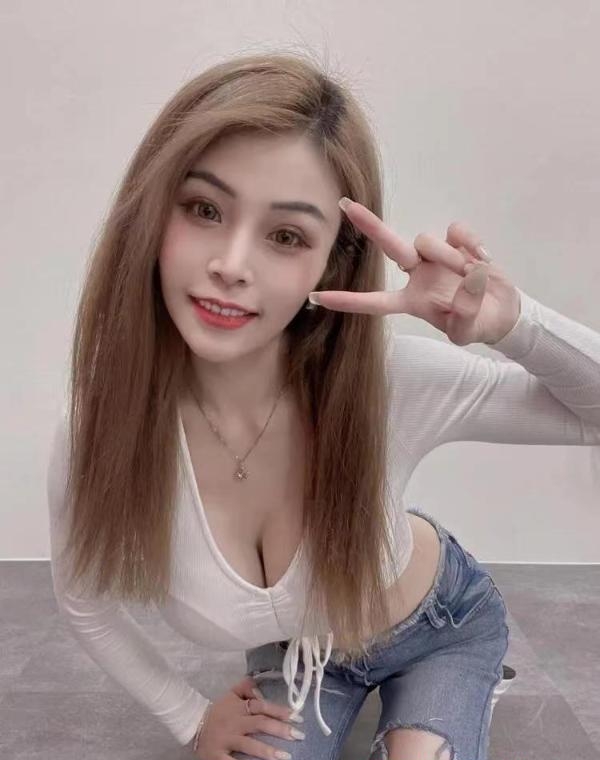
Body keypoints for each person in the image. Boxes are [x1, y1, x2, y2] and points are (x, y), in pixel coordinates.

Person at [46, 50, 600, 760]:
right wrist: (191, 719)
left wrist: (511, 325)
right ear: (153, 214)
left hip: (439, 624)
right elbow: (86, 605)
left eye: (285, 236)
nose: (231, 265)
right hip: (297, 657)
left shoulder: (386, 382)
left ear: (330, 262)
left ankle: (466, 681)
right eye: (204, 209)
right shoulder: (101, 433)